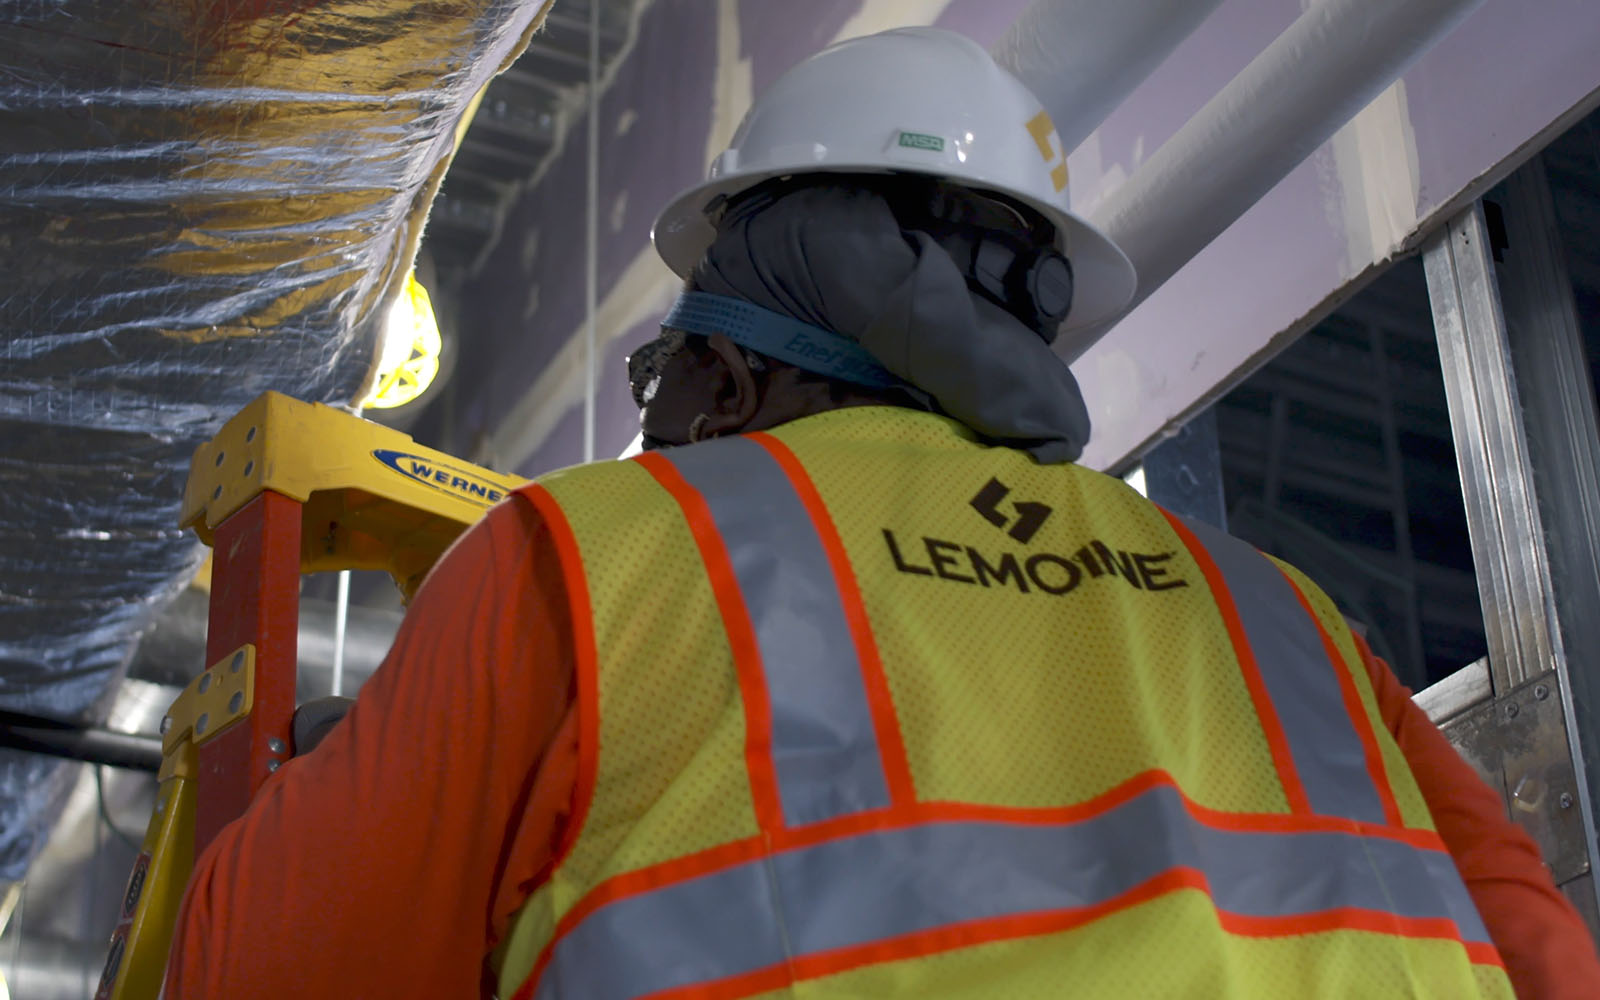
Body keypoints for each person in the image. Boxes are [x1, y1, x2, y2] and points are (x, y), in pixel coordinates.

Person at [167, 26, 1600, 999]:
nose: (657, 434)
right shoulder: (1292, 628)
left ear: (726, 373)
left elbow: (250, 974)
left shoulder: (585, 564)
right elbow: (1544, 953)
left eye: (660, 382)